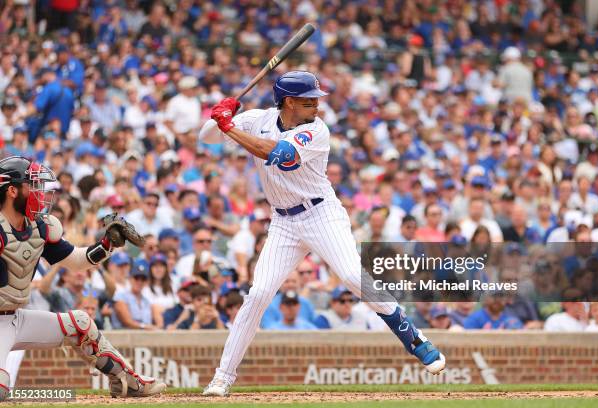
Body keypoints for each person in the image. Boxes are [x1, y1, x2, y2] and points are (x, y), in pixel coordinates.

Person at [199, 71, 445, 396]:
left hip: (320, 213)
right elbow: (207, 137)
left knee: (351, 276)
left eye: (316, 99)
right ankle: (222, 377)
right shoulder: (258, 119)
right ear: (288, 101)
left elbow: (277, 154)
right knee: (257, 295)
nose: (316, 105)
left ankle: (411, 334)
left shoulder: (317, 130)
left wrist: (229, 124)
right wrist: (220, 113)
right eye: (308, 100)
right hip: (283, 221)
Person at [0, 156, 165, 399]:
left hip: (16, 318)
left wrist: (107, 245)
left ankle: (128, 382)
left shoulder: (40, 227)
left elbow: (76, 261)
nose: (40, 192)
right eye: (32, 185)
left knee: (80, 323)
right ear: (12, 190)